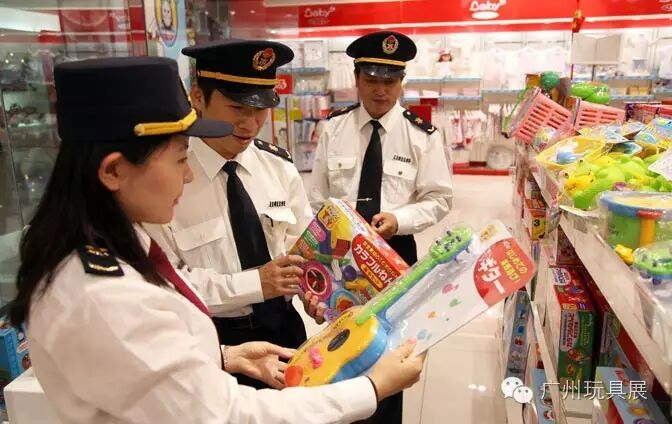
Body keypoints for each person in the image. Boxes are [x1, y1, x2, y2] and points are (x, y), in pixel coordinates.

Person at [8, 56, 426, 423]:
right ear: (113, 171)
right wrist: (371, 388)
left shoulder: (112, 240)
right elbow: (228, 414)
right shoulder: (102, 295)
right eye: (180, 158)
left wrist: (227, 355)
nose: (188, 173)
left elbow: (145, 366)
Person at [143, 39, 324, 390]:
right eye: (237, 107)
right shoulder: (167, 178)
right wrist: (256, 284)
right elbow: (165, 282)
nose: (250, 123)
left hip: (285, 330)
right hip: (214, 343)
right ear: (198, 97)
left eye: (261, 109)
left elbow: (300, 247)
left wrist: (314, 293)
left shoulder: (279, 167)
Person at [309, 31, 454, 423]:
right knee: (341, 347)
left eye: (390, 81)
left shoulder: (421, 136)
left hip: (396, 256)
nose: (381, 90)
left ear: (401, 82)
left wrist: (399, 219)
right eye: (372, 79)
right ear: (356, 79)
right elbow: (316, 196)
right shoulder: (333, 129)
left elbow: (440, 198)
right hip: (341, 255)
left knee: (390, 352)